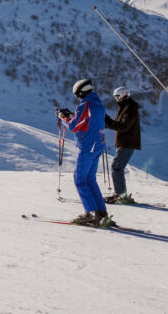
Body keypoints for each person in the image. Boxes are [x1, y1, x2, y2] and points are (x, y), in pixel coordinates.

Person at [57, 79, 110, 227]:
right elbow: (86, 121)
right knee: (90, 179)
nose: (77, 98)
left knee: (80, 179)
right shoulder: (98, 104)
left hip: (88, 147)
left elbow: (74, 126)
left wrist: (63, 118)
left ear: (80, 92)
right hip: (99, 145)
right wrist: (72, 115)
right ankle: (101, 213)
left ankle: (91, 213)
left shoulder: (85, 105)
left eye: (77, 95)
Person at [104, 86, 141, 204]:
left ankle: (121, 195)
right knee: (117, 167)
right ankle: (120, 194)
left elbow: (122, 126)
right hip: (125, 142)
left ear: (122, 95)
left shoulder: (129, 108)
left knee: (116, 167)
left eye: (117, 97)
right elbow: (119, 124)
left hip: (127, 143)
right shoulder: (126, 107)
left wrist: (106, 120)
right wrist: (106, 121)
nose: (116, 99)